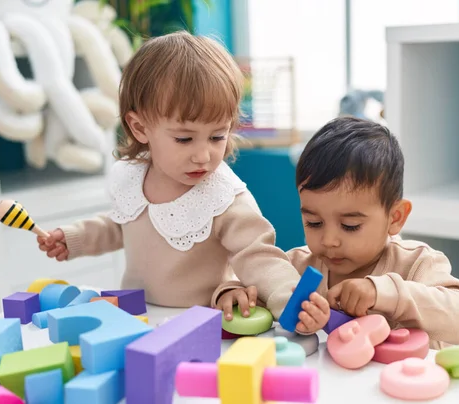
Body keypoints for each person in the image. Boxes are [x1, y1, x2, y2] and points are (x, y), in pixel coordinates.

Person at [37, 31, 329, 334]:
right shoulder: (132, 177)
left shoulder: (224, 197)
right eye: (184, 138)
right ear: (140, 128)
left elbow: (258, 256)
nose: (203, 156)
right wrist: (73, 238)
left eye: (217, 136)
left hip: (203, 325)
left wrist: (293, 300)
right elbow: (120, 225)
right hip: (137, 319)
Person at [288, 116, 459, 348]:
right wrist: (236, 292)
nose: (329, 241)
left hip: (410, 382)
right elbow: (251, 288)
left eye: (350, 226)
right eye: (314, 223)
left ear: (395, 217)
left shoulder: (417, 263)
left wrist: (387, 294)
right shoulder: (296, 266)